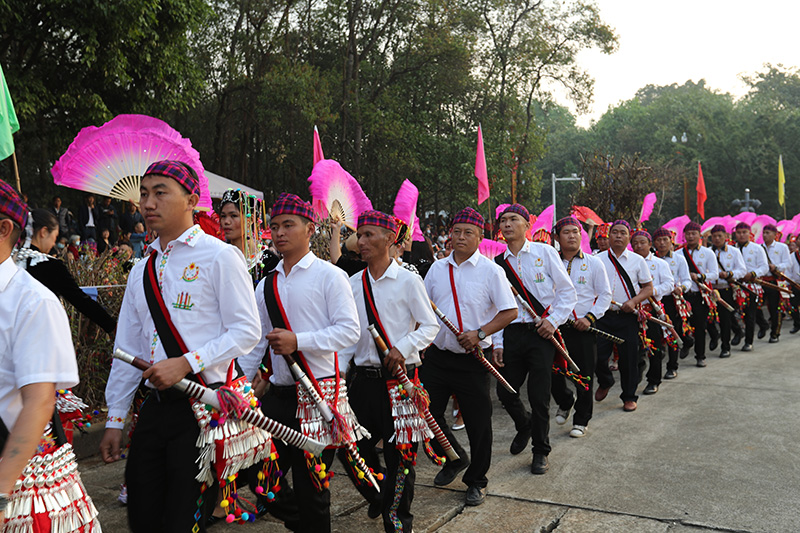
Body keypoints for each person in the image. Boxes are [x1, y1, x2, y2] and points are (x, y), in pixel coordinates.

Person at [99, 160, 261, 532]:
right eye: (144, 193)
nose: (148, 203)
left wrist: (186, 363)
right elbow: (127, 344)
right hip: (154, 410)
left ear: (191, 200)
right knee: (141, 510)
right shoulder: (142, 267)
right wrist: (114, 418)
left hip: (202, 411)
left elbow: (246, 330)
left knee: (183, 519)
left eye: (160, 192)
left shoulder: (220, 256)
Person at [242, 193, 361, 532]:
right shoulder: (266, 284)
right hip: (278, 397)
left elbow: (349, 332)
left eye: (288, 225)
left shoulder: (330, 276)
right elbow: (254, 344)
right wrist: (241, 385)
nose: (279, 233)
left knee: (313, 490)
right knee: (261, 479)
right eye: (275, 227)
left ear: (310, 229)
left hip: (318, 397)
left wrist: (299, 341)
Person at [0, 179, 100, 531]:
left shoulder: (31, 302)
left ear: (4, 228)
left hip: (21, 482)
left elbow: (39, 402)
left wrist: (0, 493)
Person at [342, 210, 439, 532]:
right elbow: (347, 336)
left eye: (369, 234)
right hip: (362, 382)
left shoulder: (409, 280)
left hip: (400, 382)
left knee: (402, 458)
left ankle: (397, 521)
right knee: (353, 448)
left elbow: (430, 326)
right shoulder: (352, 283)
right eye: (360, 234)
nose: (361, 241)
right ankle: (378, 494)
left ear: (390, 239)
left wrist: (403, 348)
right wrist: (340, 378)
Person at [423, 207, 517, 506]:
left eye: (468, 232)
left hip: (473, 359)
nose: (460, 237)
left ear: (480, 237)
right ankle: (454, 456)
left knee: (478, 423)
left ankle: (477, 480)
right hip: (438, 357)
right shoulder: (437, 268)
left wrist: (480, 333)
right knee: (426, 414)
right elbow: (424, 308)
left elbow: (510, 311)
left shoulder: (492, 271)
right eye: (456, 231)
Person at [491, 205, 576, 475]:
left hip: (541, 332)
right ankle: (524, 424)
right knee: (505, 390)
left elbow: (567, 292)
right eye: (502, 220)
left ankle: (540, 450)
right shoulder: (497, 264)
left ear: (527, 224)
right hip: (513, 333)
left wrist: (553, 321)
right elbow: (494, 307)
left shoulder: (544, 252)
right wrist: (498, 343)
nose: (506, 225)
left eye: (513, 219)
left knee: (539, 396)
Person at [550, 216, 611, 438]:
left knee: (584, 373)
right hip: (555, 327)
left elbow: (605, 294)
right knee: (551, 371)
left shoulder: (593, 262)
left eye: (576, 231)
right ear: (557, 237)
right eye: (566, 232)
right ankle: (565, 401)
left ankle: (581, 419)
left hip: (583, 327)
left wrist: (590, 318)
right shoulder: (550, 261)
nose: (572, 236)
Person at [15, 209, 117, 334]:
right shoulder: (50, 265)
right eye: (54, 237)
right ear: (44, 232)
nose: (53, 243)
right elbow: (80, 300)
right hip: (39, 333)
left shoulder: (10, 260)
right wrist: (112, 326)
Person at [594, 220, 653, 412]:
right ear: (608, 236)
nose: (618, 236)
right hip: (602, 315)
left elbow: (648, 288)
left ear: (629, 237)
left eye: (623, 233)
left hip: (627, 316)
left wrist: (634, 302)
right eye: (615, 233)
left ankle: (629, 396)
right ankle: (605, 381)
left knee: (629, 359)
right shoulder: (596, 259)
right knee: (597, 355)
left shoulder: (638, 261)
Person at [631, 229, 673, 394]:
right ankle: (636, 374)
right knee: (634, 347)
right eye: (635, 243)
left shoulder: (660, 264)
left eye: (642, 242)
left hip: (652, 310)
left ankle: (654, 380)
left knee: (654, 347)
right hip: (633, 310)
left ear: (650, 244)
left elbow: (669, 285)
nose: (638, 245)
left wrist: (650, 291)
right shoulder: (628, 262)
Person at [677, 221, 719, 367]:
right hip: (683, 295)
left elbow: (714, 274)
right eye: (687, 234)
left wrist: (700, 277)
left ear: (699, 235)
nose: (690, 236)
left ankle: (700, 356)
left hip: (700, 295)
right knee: (679, 324)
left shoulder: (708, 253)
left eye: (693, 233)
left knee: (700, 326)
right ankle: (687, 342)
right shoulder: (678, 254)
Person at [652, 228, 693, 379]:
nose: (662, 243)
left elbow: (687, 280)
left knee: (673, 331)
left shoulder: (679, 259)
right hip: (654, 300)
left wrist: (681, 288)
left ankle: (672, 366)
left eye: (665, 239)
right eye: (658, 240)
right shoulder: (649, 259)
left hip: (672, 300)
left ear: (671, 241)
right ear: (653, 243)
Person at [709, 225, 746, 357]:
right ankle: (714, 336)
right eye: (714, 236)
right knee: (708, 318)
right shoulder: (707, 252)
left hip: (725, 289)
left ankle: (725, 347)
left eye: (720, 236)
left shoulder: (734, 252)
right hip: (710, 290)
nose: (717, 239)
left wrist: (729, 274)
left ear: (726, 237)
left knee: (725, 319)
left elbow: (742, 270)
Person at [733, 222, 769, 351]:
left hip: (751, 285)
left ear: (750, 233)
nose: (741, 235)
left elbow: (764, 267)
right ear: (735, 233)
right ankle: (738, 332)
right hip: (735, 286)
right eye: (739, 232)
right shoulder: (731, 249)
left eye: (744, 232)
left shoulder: (757, 248)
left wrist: (753, 274)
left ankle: (749, 341)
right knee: (732, 312)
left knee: (750, 315)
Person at [760, 224, 791, 343]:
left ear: (775, 234)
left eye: (768, 233)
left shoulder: (782, 247)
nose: (765, 235)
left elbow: (788, 264)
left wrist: (776, 267)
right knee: (756, 306)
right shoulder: (759, 248)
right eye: (764, 232)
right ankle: (763, 325)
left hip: (776, 281)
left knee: (775, 308)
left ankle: (775, 333)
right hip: (762, 280)